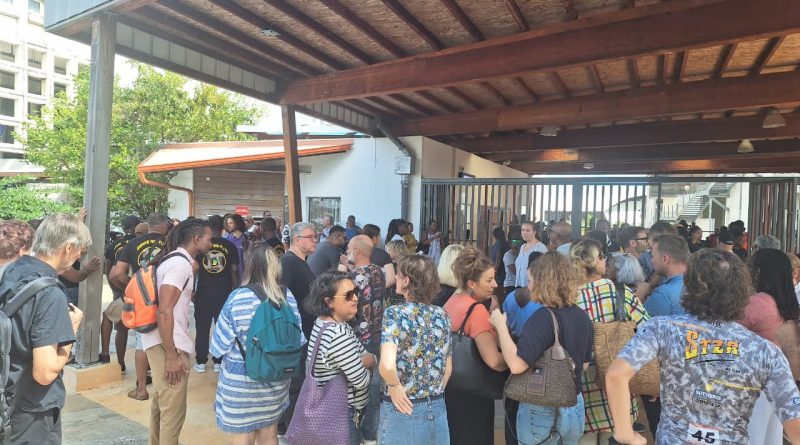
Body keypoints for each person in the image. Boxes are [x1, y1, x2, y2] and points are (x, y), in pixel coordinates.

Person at [606, 248, 800, 445]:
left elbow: (616, 374)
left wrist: (625, 434)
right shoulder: (766, 352)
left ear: (689, 285)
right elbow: (794, 421)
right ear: (742, 289)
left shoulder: (662, 328)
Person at [0, 213, 87, 444]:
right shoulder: (50, 293)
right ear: (68, 247)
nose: (80, 256)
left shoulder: (12, 270)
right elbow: (45, 373)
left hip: (6, 397)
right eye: (80, 250)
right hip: (31, 414)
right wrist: (71, 331)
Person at [491, 252, 594, 445]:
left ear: (543, 283)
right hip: (574, 404)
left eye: (530, 281)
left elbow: (516, 365)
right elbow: (585, 365)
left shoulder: (542, 318)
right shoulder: (582, 316)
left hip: (542, 409)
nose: (528, 287)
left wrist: (500, 327)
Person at [210, 243, 304, 445]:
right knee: (269, 433)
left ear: (249, 266)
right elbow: (299, 339)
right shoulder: (286, 296)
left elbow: (218, 347)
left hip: (241, 383)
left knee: (243, 437)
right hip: (277, 379)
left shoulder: (238, 297)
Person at [570, 238, 650, 444]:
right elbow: (647, 331)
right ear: (597, 261)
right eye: (603, 257)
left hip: (580, 387)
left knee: (584, 438)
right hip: (618, 388)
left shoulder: (566, 296)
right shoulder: (619, 292)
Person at [143, 219, 211, 445]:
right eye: (209, 239)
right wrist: (172, 357)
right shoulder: (179, 265)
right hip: (169, 343)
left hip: (161, 340)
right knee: (173, 412)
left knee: (162, 405)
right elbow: (164, 311)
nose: (211, 244)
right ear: (196, 239)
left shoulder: (175, 261)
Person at [379, 255, 452, 444]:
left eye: (398, 274)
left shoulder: (395, 313)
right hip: (437, 405)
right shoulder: (442, 315)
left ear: (406, 281)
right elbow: (447, 369)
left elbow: (387, 364)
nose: (395, 277)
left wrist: (394, 387)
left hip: (403, 406)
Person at [301, 271, 375, 445]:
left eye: (355, 292)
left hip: (328, 410)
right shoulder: (338, 333)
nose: (356, 298)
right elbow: (361, 380)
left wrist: (360, 361)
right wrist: (371, 360)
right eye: (348, 295)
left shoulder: (323, 323)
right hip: (343, 414)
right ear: (329, 301)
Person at [444, 246, 508, 445]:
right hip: (475, 395)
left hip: (451, 389)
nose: (495, 284)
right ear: (472, 283)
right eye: (489, 280)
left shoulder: (451, 301)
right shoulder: (477, 311)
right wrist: (517, 355)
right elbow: (494, 361)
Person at [739, 248, 800, 444]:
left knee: (752, 436)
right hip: (781, 382)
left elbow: (729, 333)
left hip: (755, 384)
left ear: (759, 271)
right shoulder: (787, 301)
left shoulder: (756, 303)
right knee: (771, 437)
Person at [110, 212, 172, 401]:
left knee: (142, 343)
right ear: (163, 225)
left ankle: (141, 390)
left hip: (144, 300)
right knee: (168, 340)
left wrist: (134, 286)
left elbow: (117, 274)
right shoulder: (172, 243)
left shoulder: (132, 244)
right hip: (168, 296)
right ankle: (166, 388)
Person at [340, 234, 385, 443]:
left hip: (357, 339)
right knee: (375, 390)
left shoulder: (352, 278)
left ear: (356, 251)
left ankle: (354, 432)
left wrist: (344, 269)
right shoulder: (379, 271)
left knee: (354, 390)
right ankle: (370, 435)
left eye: (349, 248)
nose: (347, 251)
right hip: (377, 336)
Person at [277, 222, 317, 435]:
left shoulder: (301, 262)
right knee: (295, 382)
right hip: (295, 333)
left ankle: (288, 425)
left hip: (304, 331)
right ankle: (290, 428)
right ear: (297, 239)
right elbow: (279, 298)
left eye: (315, 236)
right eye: (310, 237)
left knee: (299, 380)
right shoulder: (289, 263)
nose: (314, 240)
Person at [194, 215, 240, 374]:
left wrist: (192, 290)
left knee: (202, 328)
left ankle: (200, 362)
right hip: (224, 293)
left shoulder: (200, 245)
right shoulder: (229, 245)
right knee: (222, 328)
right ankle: (218, 361)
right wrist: (235, 289)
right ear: (222, 227)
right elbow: (234, 270)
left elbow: (194, 269)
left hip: (203, 292)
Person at [99, 215, 141, 370]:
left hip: (121, 291)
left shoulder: (113, 246)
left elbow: (109, 271)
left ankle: (118, 361)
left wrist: (116, 289)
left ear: (123, 228)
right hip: (144, 290)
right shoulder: (141, 243)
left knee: (120, 326)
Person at [502, 251, 544, 338]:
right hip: (532, 343)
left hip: (510, 340)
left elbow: (505, 321)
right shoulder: (545, 301)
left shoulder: (510, 296)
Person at [362, 224, 396, 289]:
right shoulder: (383, 254)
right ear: (374, 238)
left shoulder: (355, 252)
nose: (380, 238)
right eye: (379, 235)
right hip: (379, 292)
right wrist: (377, 290)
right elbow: (391, 279)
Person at [515, 221, 548, 288]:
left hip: (532, 287)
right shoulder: (522, 247)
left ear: (534, 232)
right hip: (519, 285)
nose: (524, 233)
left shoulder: (540, 247)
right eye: (522, 230)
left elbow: (544, 269)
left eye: (528, 230)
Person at [383, 240, 408, 307]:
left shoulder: (392, 266)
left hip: (395, 297)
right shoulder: (408, 263)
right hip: (405, 296)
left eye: (388, 250)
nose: (386, 252)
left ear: (395, 251)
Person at [224, 214, 248, 282]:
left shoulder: (246, 238)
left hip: (245, 276)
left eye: (231, 223)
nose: (228, 225)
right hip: (231, 277)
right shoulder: (226, 240)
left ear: (237, 223)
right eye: (227, 223)